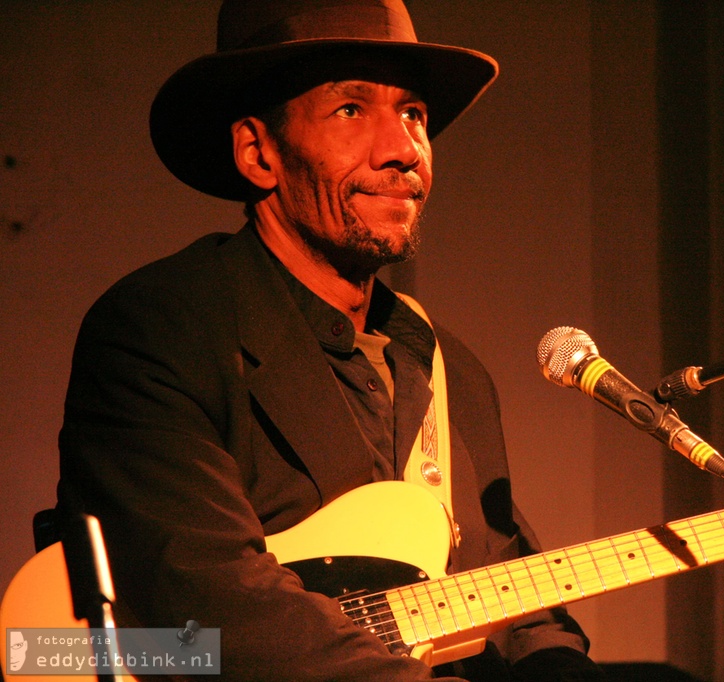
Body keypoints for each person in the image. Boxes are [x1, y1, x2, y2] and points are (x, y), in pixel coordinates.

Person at [55, 1, 605, 680]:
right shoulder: (159, 329)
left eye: (414, 115)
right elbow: (212, 606)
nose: (404, 149)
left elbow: (515, 592)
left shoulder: (448, 368)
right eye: (351, 110)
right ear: (259, 153)